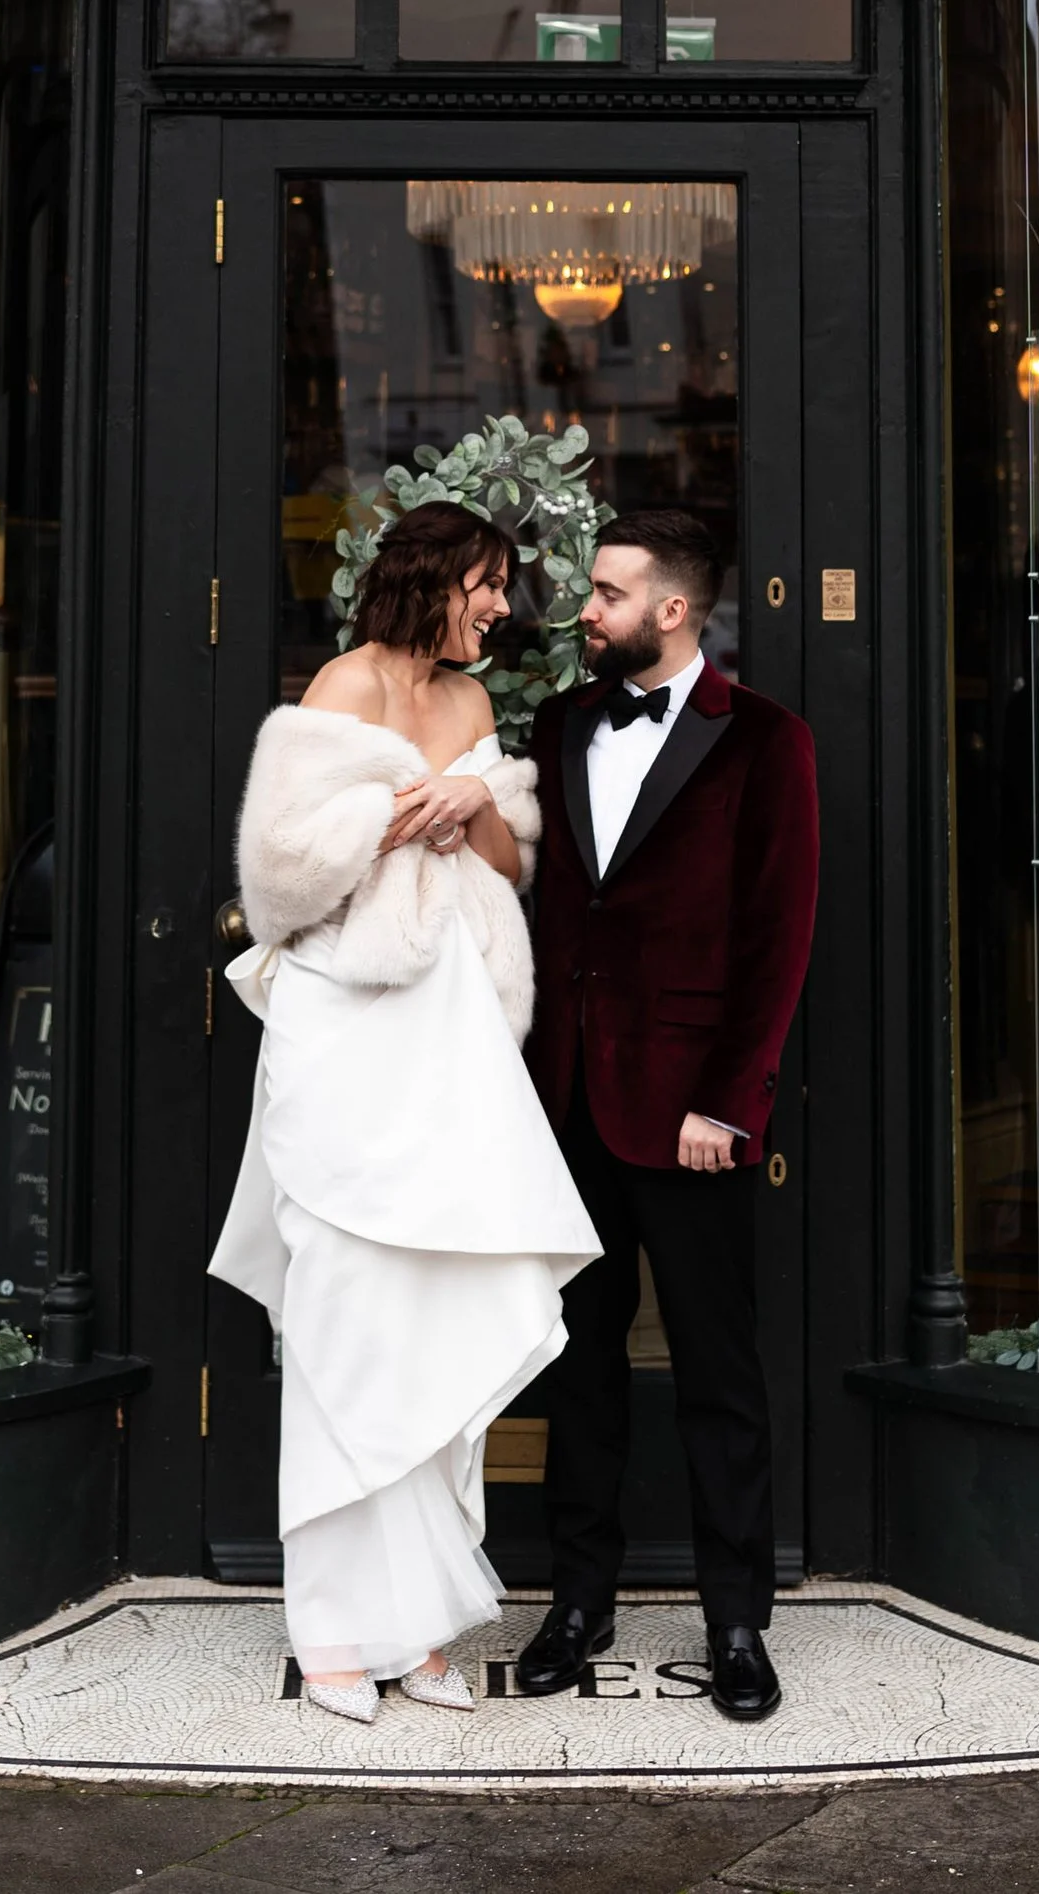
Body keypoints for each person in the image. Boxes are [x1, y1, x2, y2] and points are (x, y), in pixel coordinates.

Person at [209, 502, 598, 1727]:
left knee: (442, 1316)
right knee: (347, 1329)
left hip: (454, 1047)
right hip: (346, 1041)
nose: (500, 607)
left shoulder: (475, 709)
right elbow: (275, 881)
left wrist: (468, 812)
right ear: (433, 580)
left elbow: (508, 863)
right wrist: (392, 812)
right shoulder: (341, 685)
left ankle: (421, 1624)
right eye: (487, 585)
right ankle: (332, 1631)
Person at [516, 506, 819, 1724]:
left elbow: (777, 942)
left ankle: (736, 1621)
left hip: (690, 1116)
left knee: (716, 1374)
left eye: (605, 592)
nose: (585, 610)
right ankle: (575, 1602)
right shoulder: (560, 723)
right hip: (566, 1103)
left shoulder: (764, 742)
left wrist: (727, 1103)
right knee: (577, 1370)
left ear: (672, 611)